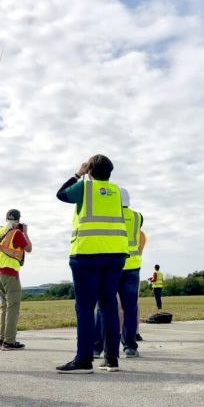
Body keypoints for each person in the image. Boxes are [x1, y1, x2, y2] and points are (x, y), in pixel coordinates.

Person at [55, 155, 128, 374]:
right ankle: (112, 359)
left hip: (87, 254)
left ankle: (84, 360)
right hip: (115, 255)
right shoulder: (117, 192)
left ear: (90, 171)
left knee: (85, 308)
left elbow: (61, 194)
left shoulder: (85, 188)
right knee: (109, 308)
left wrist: (77, 174)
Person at [94, 188, 146, 359]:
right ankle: (130, 347)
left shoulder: (110, 216)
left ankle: (97, 347)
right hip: (132, 266)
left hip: (112, 265)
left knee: (104, 306)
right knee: (130, 307)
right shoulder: (138, 217)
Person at [0, 208, 32, 351]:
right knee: (13, 307)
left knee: (4, 307)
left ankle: (2, 339)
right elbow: (29, 248)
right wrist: (25, 233)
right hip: (10, 273)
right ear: (18, 221)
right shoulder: (17, 233)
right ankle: (9, 341)